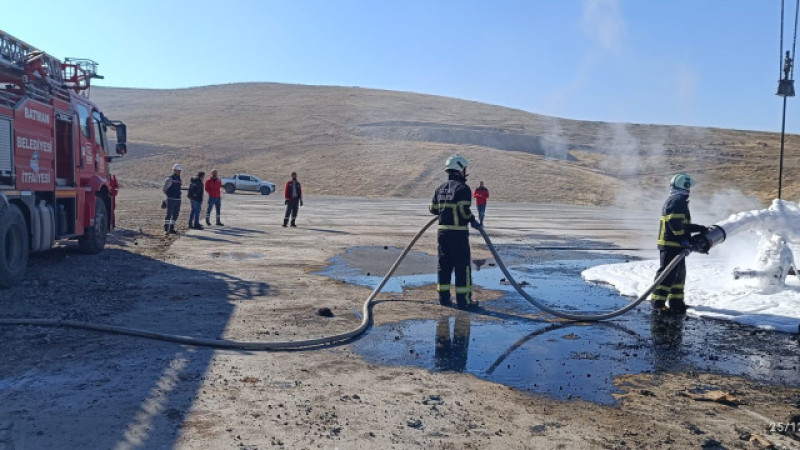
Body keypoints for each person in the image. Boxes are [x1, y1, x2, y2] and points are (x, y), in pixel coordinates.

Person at [651, 173, 708, 314]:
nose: (690, 190)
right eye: (689, 186)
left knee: (679, 275)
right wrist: (684, 238)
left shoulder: (678, 200)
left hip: (676, 245)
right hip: (670, 244)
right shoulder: (677, 200)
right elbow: (674, 223)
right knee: (667, 274)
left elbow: (682, 224)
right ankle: (658, 303)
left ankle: (676, 303)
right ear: (685, 185)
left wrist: (698, 228)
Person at [429, 155, 481, 309]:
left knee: (443, 266)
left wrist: (445, 210)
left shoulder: (440, 188)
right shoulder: (463, 188)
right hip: (458, 235)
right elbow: (464, 211)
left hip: (443, 234)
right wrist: (472, 219)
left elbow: (432, 209)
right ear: (459, 169)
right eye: (464, 169)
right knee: (462, 267)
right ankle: (463, 300)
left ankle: (444, 299)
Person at [162, 164, 183, 235]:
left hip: (178, 199)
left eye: (180, 170)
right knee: (169, 214)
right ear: (174, 170)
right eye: (178, 170)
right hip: (171, 199)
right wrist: (169, 196)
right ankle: (166, 228)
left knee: (175, 214)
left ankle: (171, 228)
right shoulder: (169, 178)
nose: (179, 172)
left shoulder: (179, 179)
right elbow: (165, 189)